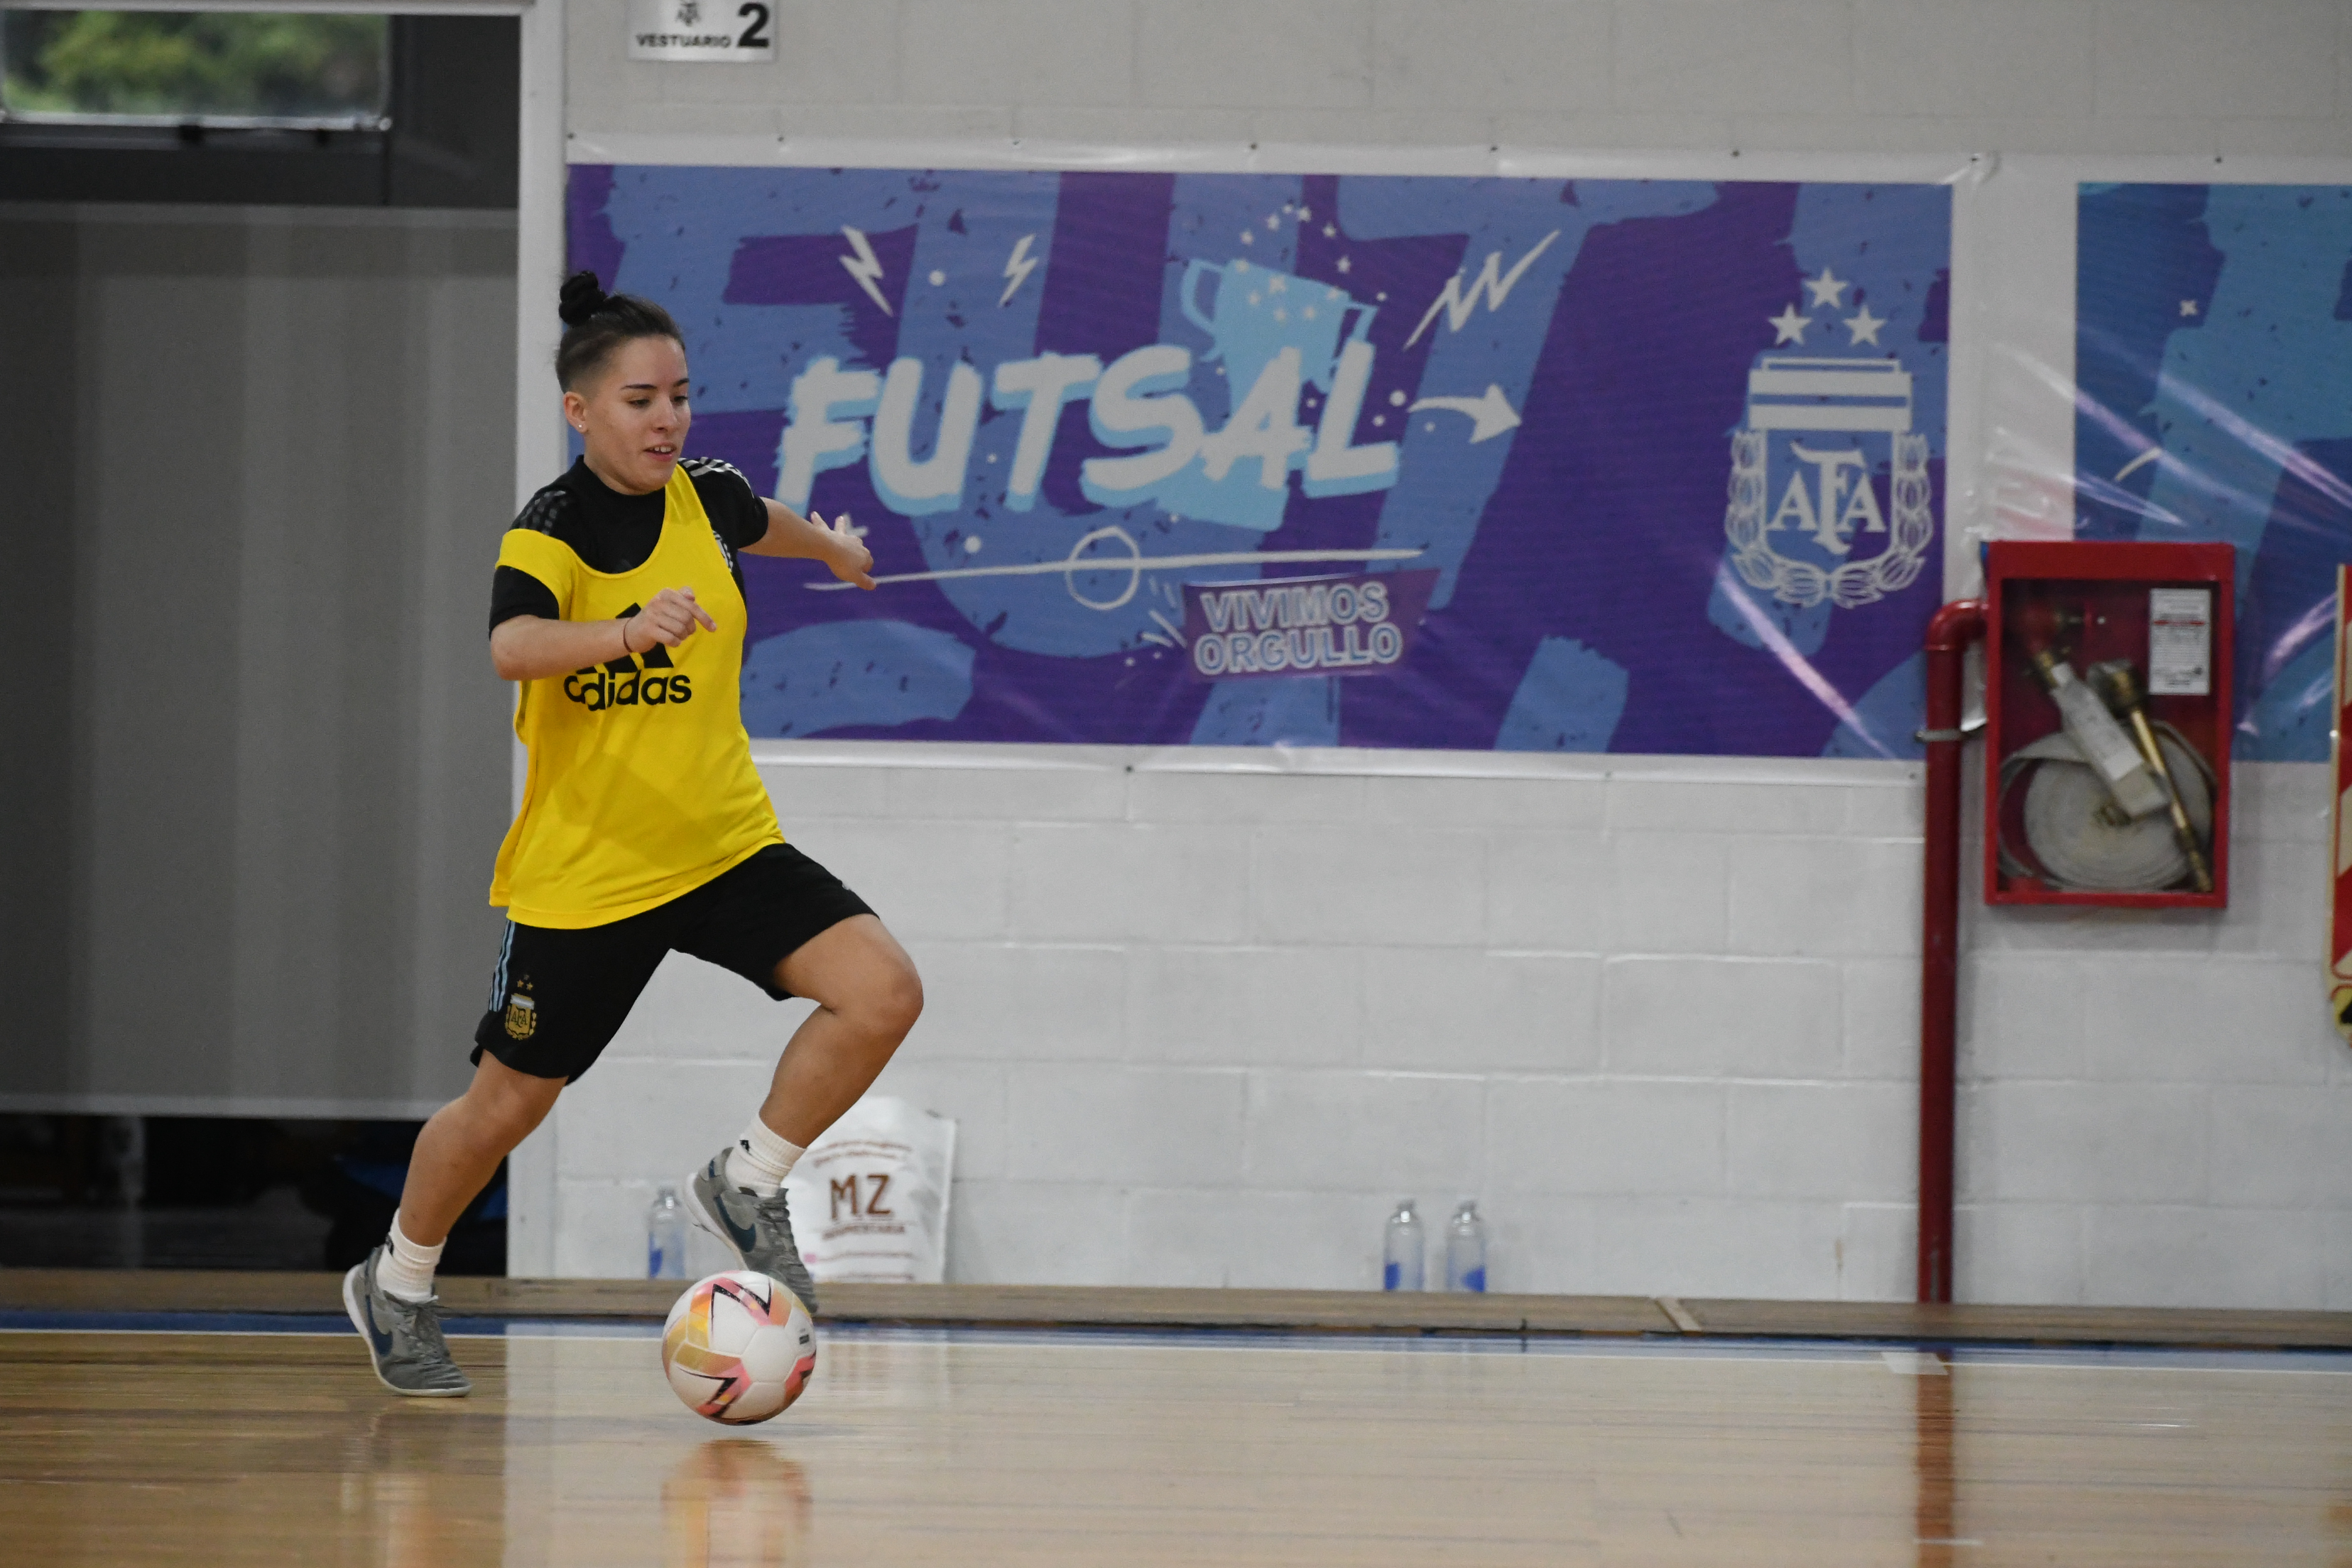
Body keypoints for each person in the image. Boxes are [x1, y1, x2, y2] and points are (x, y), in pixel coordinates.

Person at [344, 271, 923, 1396]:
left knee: (883, 991)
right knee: (507, 1105)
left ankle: (749, 1180)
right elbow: (514, 647)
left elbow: (769, 523)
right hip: (588, 876)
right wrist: (624, 632)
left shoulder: (707, 496)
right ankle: (398, 1281)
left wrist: (839, 555)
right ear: (582, 412)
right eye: (641, 402)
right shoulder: (550, 530)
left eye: (680, 398)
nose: (668, 420)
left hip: (723, 846)